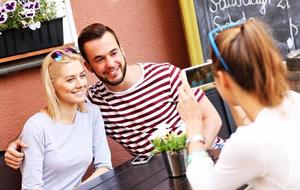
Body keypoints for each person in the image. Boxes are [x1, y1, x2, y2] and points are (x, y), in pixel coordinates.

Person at [5, 23, 222, 168]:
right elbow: (55, 115)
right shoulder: (92, 101)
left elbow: (212, 118)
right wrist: (18, 142)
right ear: (88, 66)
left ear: (122, 50)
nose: (110, 64)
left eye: (113, 53)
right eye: (99, 59)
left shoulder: (166, 74)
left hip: (211, 155)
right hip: (160, 174)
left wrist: (196, 157)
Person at [177, 19, 300, 190]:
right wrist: (235, 95)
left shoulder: (250, 141)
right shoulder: (292, 100)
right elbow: (253, 131)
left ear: (222, 79)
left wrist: (194, 129)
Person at [18, 48, 112, 190]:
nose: (80, 84)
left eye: (82, 76)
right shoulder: (36, 127)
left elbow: (105, 166)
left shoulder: (92, 113)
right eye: (70, 79)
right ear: (52, 85)